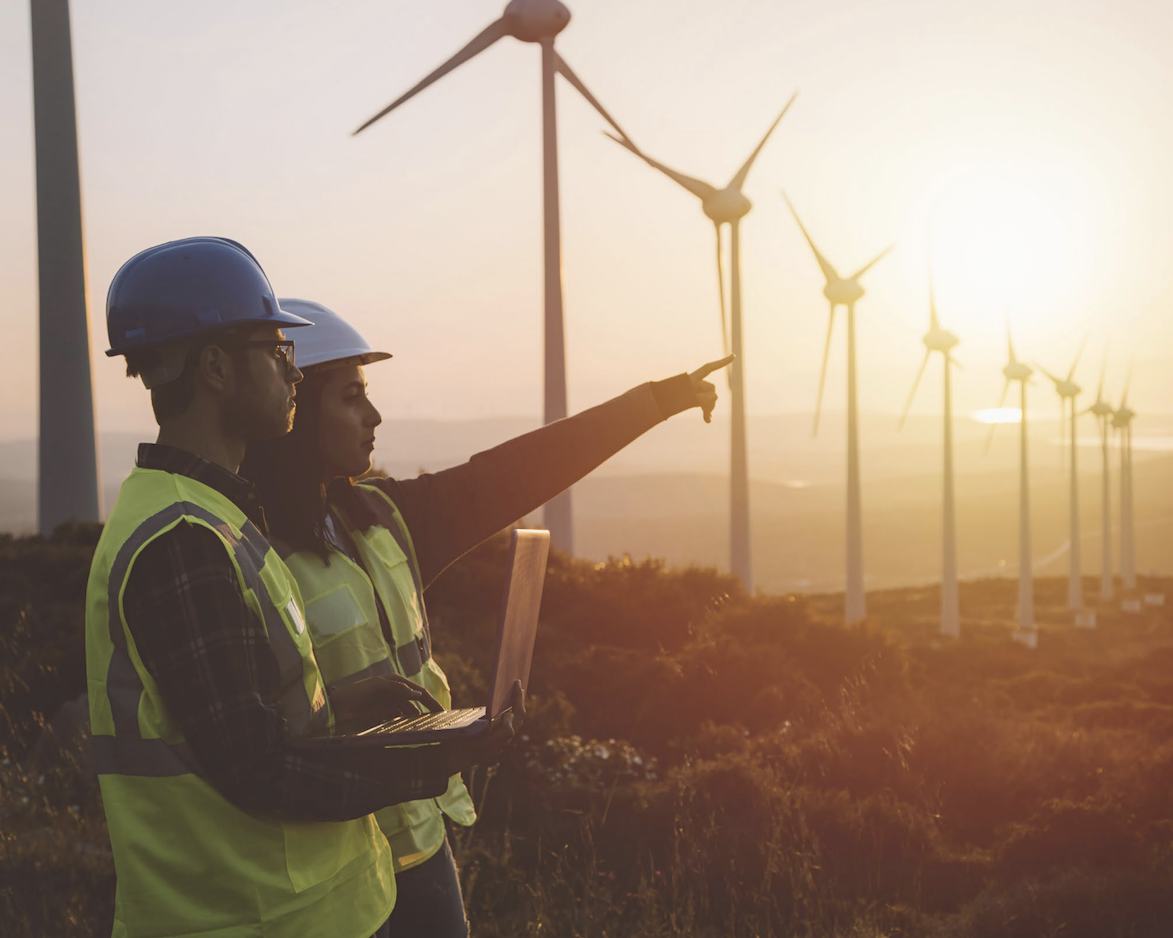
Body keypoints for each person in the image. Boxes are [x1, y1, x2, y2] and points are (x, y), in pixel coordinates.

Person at [240, 297, 732, 937]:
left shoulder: (386, 520)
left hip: (419, 839)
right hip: (324, 864)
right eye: (351, 398)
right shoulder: (243, 549)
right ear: (297, 411)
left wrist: (657, 400)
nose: (374, 416)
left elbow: (518, 471)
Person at [84, 238, 516, 938]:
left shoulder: (216, 517)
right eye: (276, 349)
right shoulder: (182, 543)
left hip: (310, 912)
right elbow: (259, 770)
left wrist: (345, 701)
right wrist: (428, 763)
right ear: (217, 367)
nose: (293, 371)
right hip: (250, 920)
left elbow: (229, 722)